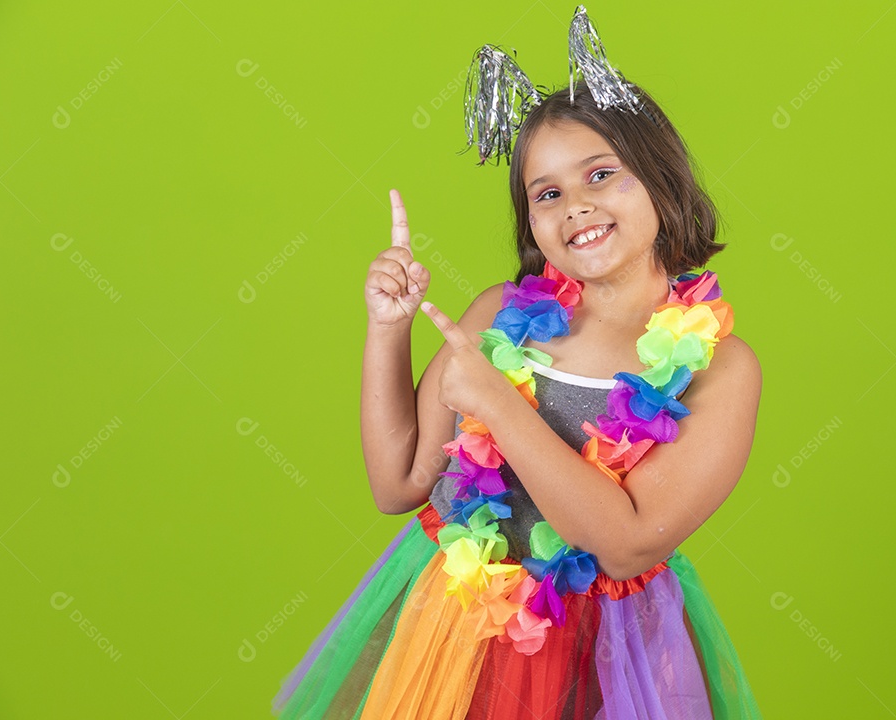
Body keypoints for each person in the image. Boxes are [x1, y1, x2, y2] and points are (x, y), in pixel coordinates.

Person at [273, 9, 763, 719]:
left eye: (602, 175)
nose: (577, 206)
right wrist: (388, 328)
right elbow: (397, 482)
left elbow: (626, 545)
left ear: (661, 181)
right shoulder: (496, 317)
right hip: (453, 635)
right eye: (548, 193)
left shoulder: (719, 368)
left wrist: (501, 406)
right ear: (529, 218)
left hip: (599, 656)